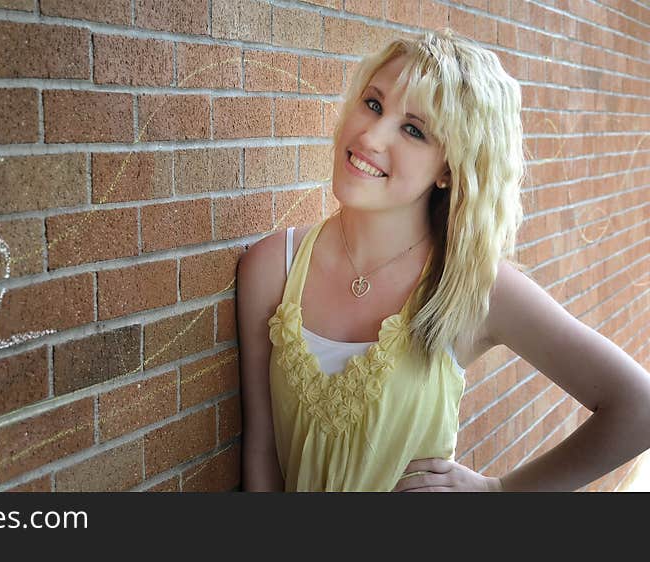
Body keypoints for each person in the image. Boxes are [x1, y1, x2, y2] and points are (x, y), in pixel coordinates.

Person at [236, 28, 650, 492]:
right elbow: (261, 451)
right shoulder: (272, 268)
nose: (371, 136)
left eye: (413, 129)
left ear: (449, 169)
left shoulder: (471, 287)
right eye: (372, 103)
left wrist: (499, 493)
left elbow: (638, 406)